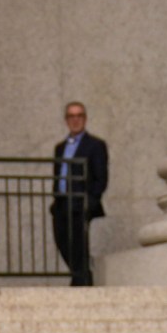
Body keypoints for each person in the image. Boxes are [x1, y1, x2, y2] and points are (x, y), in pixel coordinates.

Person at [49, 102, 108, 287]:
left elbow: (101, 177)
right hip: (61, 204)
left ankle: (81, 279)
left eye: (79, 116)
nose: (76, 120)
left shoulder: (95, 145)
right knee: (63, 241)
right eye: (72, 116)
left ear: (85, 118)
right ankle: (80, 276)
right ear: (67, 120)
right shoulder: (60, 147)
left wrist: (91, 199)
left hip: (81, 203)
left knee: (79, 244)